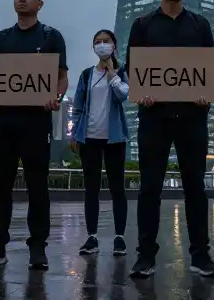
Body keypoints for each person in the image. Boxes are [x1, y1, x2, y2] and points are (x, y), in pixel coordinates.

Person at [126, 0, 214, 279]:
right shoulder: (142, 25)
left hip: (192, 117)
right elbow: (133, 68)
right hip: (154, 116)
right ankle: (145, 256)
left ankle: (200, 255)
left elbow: (211, 68)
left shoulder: (200, 25)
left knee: (196, 187)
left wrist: (204, 94)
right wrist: (143, 92)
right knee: (150, 188)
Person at [0, 0, 69, 271]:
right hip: (2, 123)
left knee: (38, 187)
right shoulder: (1, 39)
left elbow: (62, 77)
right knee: (0, 187)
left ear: (41, 3)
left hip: (36, 123)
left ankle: (38, 246)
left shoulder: (51, 37)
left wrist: (57, 97)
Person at [69, 29, 130, 257]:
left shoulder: (122, 71)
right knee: (91, 188)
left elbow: (125, 94)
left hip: (114, 138)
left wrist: (113, 73)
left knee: (117, 188)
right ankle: (92, 237)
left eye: (106, 41)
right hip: (90, 137)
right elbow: (77, 106)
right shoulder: (87, 75)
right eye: (98, 42)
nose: (102, 45)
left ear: (114, 45)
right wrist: (75, 133)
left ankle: (120, 238)